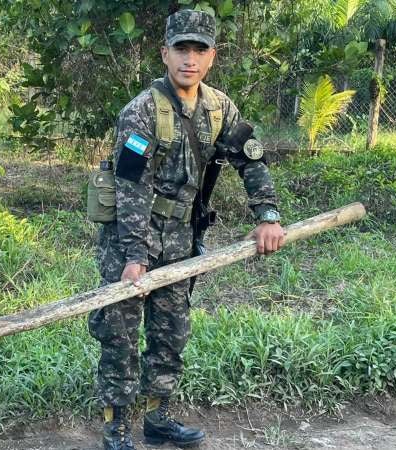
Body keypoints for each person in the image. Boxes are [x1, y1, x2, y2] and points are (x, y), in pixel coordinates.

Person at [89, 9, 285, 450]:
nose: (189, 59)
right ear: (165, 53)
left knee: (171, 331)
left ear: (212, 57)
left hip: (180, 239)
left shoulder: (219, 108)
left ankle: (157, 417)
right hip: (130, 239)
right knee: (119, 333)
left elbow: (251, 160)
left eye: (199, 50)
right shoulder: (141, 111)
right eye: (181, 49)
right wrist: (135, 257)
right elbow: (130, 186)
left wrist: (267, 216)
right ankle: (116, 426)